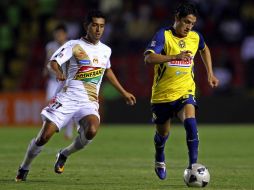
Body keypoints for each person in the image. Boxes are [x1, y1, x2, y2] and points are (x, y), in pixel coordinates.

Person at [15, 10, 136, 182]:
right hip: (68, 98)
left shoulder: (105, 50)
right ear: (87, 26)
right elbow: (53, 62)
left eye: (102, 26)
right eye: (95, 25)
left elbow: (107, 70)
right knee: (44, 137)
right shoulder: (73, 45)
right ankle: (24, 166)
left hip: (89, 101)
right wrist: (58, 72)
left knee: (92, 130)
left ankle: (64, 153)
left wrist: (123, 92)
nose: (98, 29)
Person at [144, 1, 219, 180]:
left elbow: (205, 49)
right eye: (186, 22)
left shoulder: (195, 37)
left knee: (191, 123)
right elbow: (148, 58)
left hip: (185, 91)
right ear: (177, 18)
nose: (189, 27)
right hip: (162, 95)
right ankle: (159, 157)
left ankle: (193, 166)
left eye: (192, 23)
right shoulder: (164, 35)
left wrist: (210, 73)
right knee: (163, 133)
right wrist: (174, 56)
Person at [44, 23, 74, 140]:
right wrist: (45, 69)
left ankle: (69, 132)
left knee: (68, 105)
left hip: (67, 80)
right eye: (56, 35)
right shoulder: (50, 46)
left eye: (60, 34)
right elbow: (48, 60)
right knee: (49, 103)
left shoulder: (71, 45)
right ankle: (48, 128)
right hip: (53, 79)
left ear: (65, 35)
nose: (58, 37)